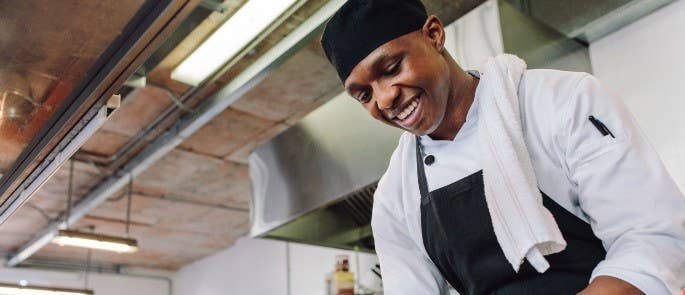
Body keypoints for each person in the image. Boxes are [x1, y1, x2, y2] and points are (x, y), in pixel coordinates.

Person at [320, 0, 685, 294]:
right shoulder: (395, 197)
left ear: (434, 34)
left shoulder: (562, 102)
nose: (384, 100)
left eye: (391, 68)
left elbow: (652, 239)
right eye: (364, 95)